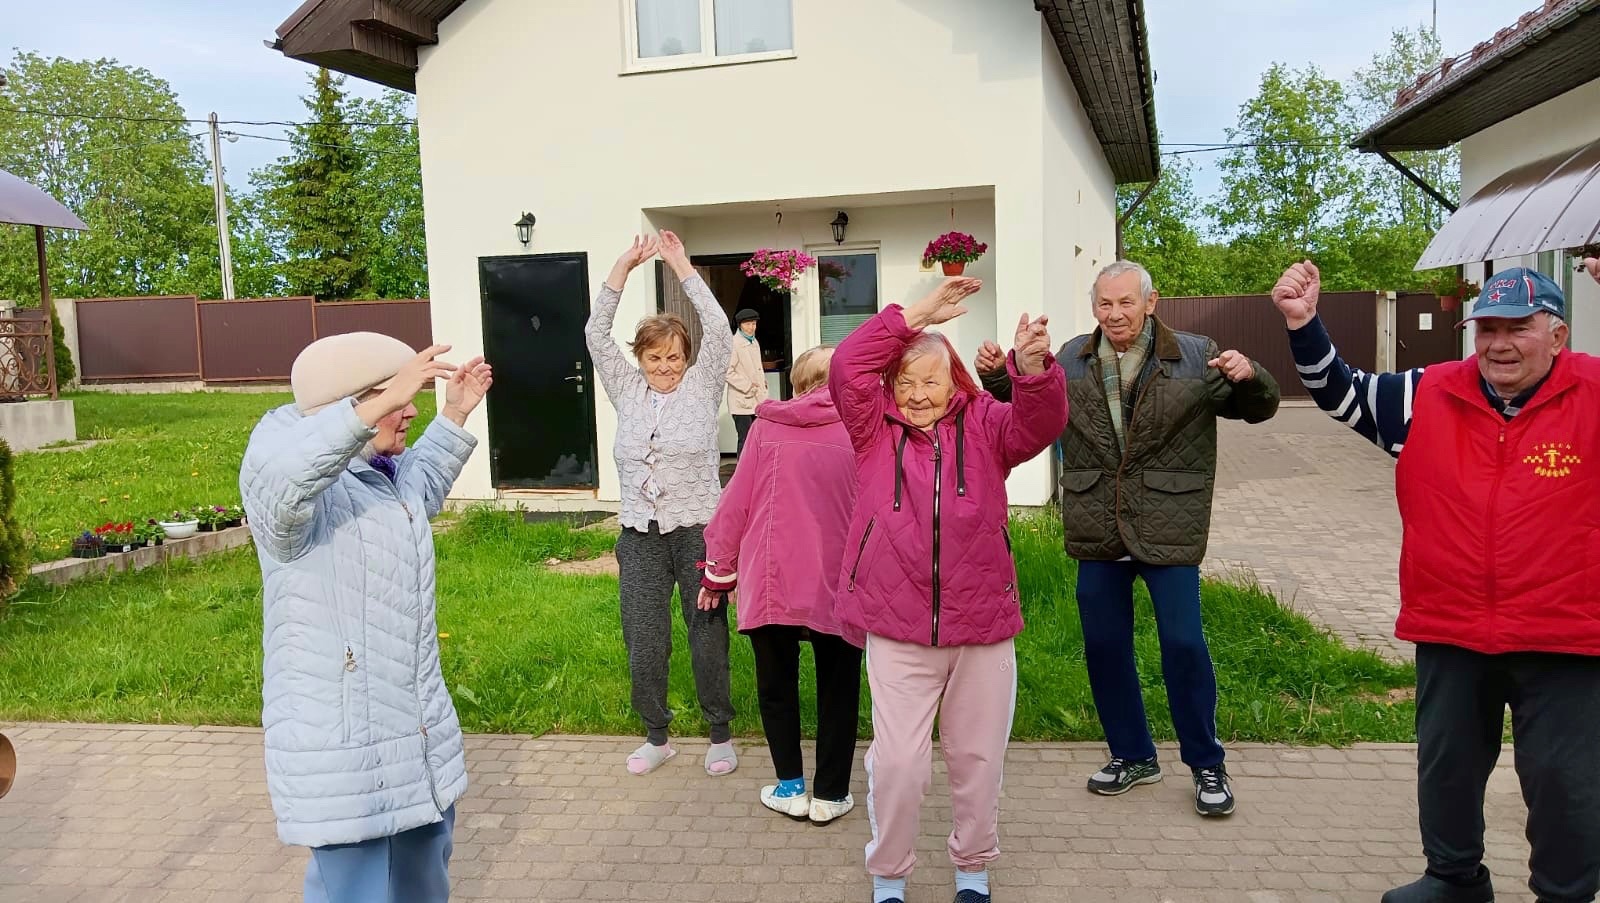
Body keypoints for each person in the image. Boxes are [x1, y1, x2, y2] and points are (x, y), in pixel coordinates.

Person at [1271, 261, 1600, 903]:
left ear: (1558, 335)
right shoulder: (1433, 391)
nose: (1498, 344)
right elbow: (1344, 395)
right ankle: (1454, 880)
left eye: (1518, 328)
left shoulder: (1596, 393)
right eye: (1486, 329)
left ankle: (1565, 893)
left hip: (1566, 633)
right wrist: (1303, 324)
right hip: (1450, 625)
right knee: (1446, 769)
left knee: (1566, 782)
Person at [978, 259, 1279, 818]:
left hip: (1168, 523)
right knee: (1106, 648)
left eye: (1125, 303)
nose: (1115, 314)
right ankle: (1133, 755)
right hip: (1098, 523)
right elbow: (1023, 406)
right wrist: (1003, 371)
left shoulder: (1193, 353)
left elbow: (1257, 408)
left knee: (1185, 645)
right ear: (1094, 307)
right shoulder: (1070, 357)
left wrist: (1250, 374)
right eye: (1105, 304)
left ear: (1150, 301)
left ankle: (1207, 763)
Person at [832, 277, 1068, 903]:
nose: (916, 394)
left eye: (929, 381)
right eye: (904, 382)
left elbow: (1041, 424)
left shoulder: (987, 423)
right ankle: (889, 876)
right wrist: (910, 316)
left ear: (954, 381)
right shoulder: (871, 429)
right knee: (901, 767)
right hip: (897, 623)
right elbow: (847, 365)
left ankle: (972, 870)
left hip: (982, 624)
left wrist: (1033, 368)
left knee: (978, 762)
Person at [240, 331, 493, 903]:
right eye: (394, 397)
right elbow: (285, 477)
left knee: (423, 881)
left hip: (413, 728)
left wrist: (452, 414)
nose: (408, 409)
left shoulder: (377, 470)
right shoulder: (283, 479)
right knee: (355, 892)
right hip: (345, 748)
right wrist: (374, 404)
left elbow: (416, 495)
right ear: (348, 406)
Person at [585, 232, 739, 777]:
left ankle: (720, 732)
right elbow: (594, 333)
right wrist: (623, 264)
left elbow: (719, 330)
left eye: (674, 356)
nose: (667, 366)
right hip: (639, 535)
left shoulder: (701, 388)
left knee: (706, 636)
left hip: (697, 532)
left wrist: (680, 265)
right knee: (644, 638)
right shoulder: (626, 390)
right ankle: (657, 734)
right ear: (641, 358)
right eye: (656, 357)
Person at [699, 345, 862, 826]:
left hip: (772, 580)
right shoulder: (864, 428)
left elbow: (735, 503)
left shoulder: (768, 427)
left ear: (795, 387)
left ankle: (790, 787)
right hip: (839, 582)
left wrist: (718, 570)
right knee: (839, 689)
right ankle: (831, 794)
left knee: (776, 687)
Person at [726, 307, 769, 456]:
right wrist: (747, 385)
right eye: (748, 324)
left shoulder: (753, 341)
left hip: (756, 398)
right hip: (742, 401)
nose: (752, 327)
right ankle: (742, 473)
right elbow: (727, 371)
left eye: (754, 324)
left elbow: (755, 367)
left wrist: (762, 381)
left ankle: (754, 470)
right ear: (740, 325)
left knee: (757, 437)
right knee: (745, 439)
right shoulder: (734, 343)